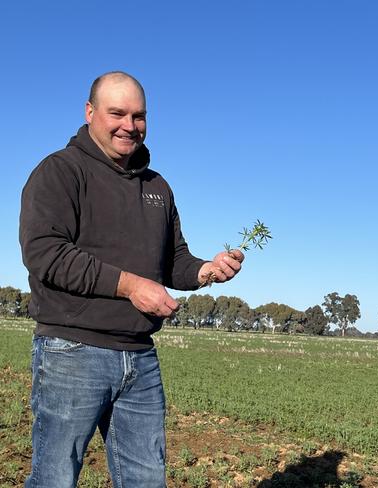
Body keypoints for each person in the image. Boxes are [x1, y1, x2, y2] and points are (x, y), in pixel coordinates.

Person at [19, 71, 244, 487]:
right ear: (90, 113)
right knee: (54, 479)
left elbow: (172, 260)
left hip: (139, 358)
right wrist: (129, 285)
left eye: (139, 115)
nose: (129, 125)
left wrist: (206, 271)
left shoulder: (157, 186)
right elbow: (45, 254)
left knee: (145, 480)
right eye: (117, 113)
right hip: (71, 351)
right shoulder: (60, 172)